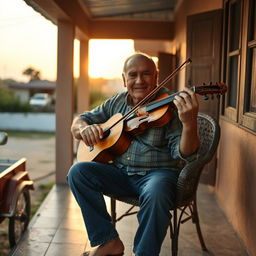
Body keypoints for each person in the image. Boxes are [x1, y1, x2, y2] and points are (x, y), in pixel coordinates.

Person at [67, 53, 199, 256]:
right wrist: (83, 128)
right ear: (124, 79)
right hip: (121, 173)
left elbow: (185, 155)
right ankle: (108, 241)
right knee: (78, 172)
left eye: (146, 74)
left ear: (156, 77)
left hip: (157, 176)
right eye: (133, 75)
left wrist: (189, 123)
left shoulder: (170, 106)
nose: (139, 81)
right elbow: (80, 120)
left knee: (156, 192)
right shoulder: (116, 102)